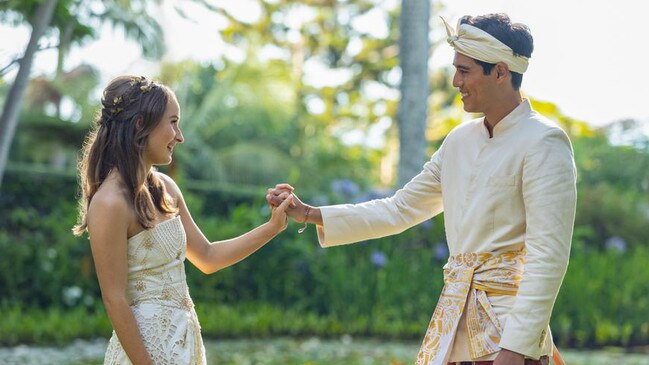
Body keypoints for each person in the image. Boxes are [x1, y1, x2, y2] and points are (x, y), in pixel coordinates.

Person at [267, 13, 576, 365]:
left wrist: (515, 349)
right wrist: (309, 213)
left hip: (508, 334)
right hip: (454, 323)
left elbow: (547, 256)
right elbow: (399, 209)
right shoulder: (459, 140)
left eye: (465, 71)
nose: (455, 81)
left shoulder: (545, 141)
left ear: (501, 72)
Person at [72, 75, 294, 365]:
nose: (180, 136)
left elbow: (208, 257)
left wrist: (272, 227)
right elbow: (115, 300)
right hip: (144, 351)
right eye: (173, 122)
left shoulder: (165, 188)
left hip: (185, 340)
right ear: (141, 125)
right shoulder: (109, 203)